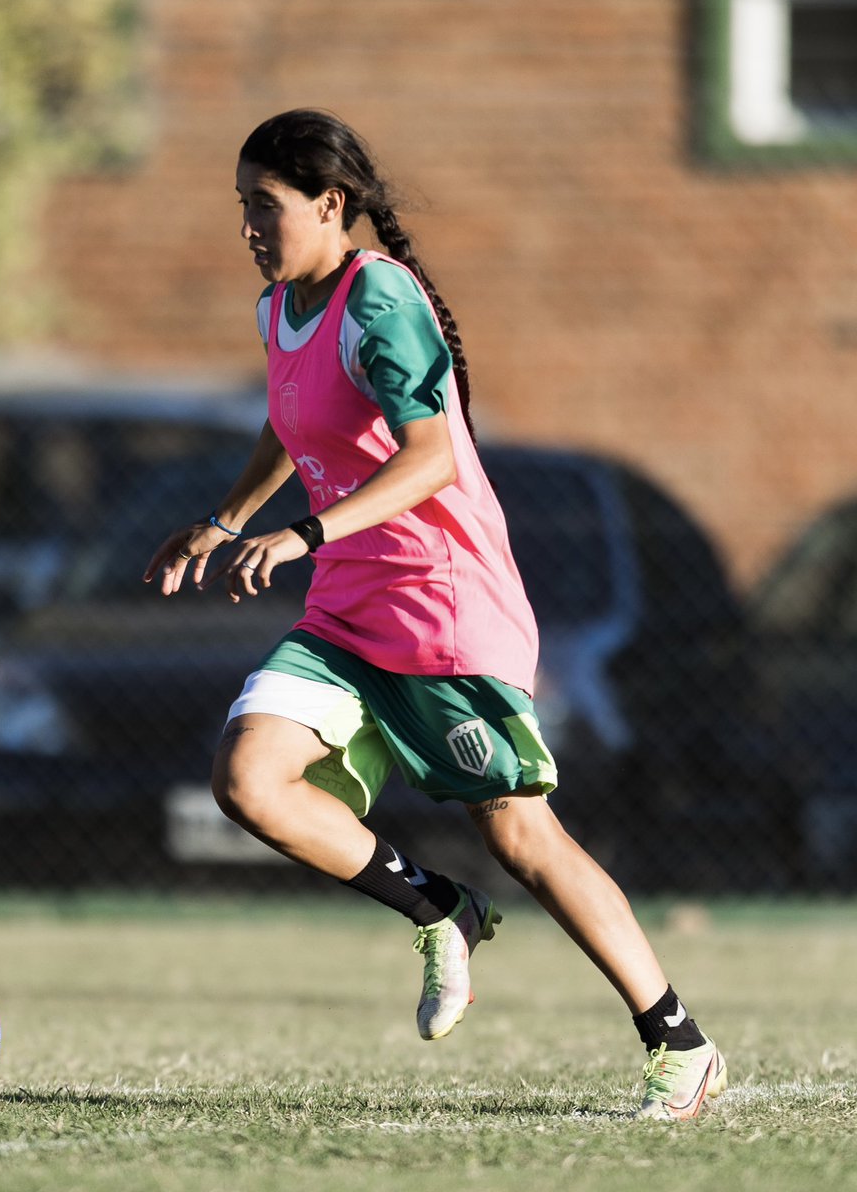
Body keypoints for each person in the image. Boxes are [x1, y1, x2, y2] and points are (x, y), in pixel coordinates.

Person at [143, 108, 726, 1121]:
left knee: (520, 834)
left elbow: (433, 459)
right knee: (247, 780)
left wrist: (298, 536)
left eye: (264, 205)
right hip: (346, 612)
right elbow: (295, 422)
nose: (246, 225)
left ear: (331, 206)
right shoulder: (278, 308)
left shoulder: (381, 298)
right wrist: (223, 517)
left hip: (441, 602)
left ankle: (679, 1039)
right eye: (240, 205)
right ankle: (435, 906)